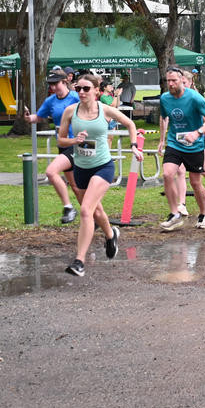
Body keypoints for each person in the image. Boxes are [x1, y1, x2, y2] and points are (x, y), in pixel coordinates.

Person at [58, 74, 142, 277]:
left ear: (97, 90)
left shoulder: (105, 110)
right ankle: (111, 234)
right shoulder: (70, 111)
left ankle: (79, 261)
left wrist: (133, 146)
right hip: (81, 168)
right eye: (78, 88)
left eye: (86, 89)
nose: (81, 92)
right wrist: (74, 141)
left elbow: (130, 125)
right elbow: (60, 140)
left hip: (103, 167)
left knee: (86, 210)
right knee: (96, 211)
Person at [157, 66, 205, 231]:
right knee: (167, 174)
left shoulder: (194, 97)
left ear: (181, 81)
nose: (170, 84)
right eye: (168, 81)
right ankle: (175, 214)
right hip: (175, 143)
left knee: (195, 182)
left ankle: (203, 214)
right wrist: (162, 139)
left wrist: (197, 133)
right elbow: (164, 118)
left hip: (194, 145)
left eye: (174, 81)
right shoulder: (164, 98)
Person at [24, 69, 80, 224]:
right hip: (63, 144)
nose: (53, 87)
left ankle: (68, 207)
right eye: (51, 85)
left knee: (51, 171)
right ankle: (92, 215)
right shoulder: (51, 101)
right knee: (76, 186)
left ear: (64, 82)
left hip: (76, 144)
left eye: (56, 84)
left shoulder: (76, 97)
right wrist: (30, 118)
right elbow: (39, 116)